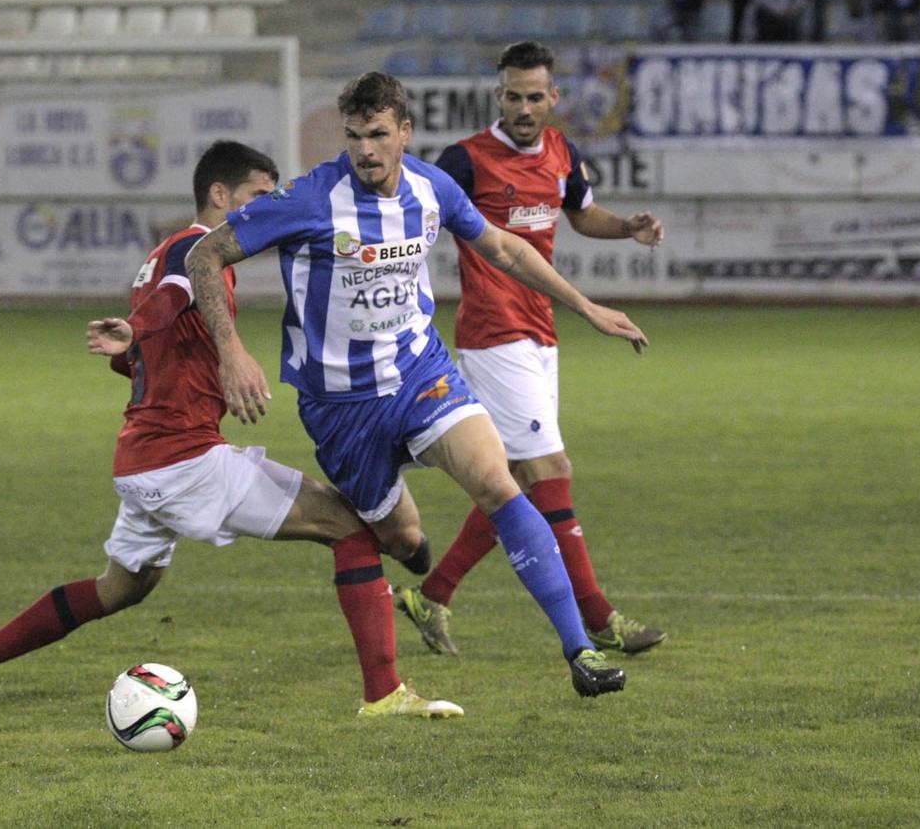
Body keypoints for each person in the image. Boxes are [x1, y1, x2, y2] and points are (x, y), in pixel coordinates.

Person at [0, 140, 462, 719]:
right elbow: (171, 298)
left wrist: (136, 342)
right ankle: (384, 694)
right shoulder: (191, 252)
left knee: (121, 589)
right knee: (350, 528)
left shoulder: (159, 253)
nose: (266, 210)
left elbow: (150, 342)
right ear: (218, 194)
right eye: (258, 196)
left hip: (143, 460)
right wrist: (138, 330)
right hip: (183, 459)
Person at [185, 72, 649, 698]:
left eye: (378, 134)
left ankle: (580, 652)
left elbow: (505, 250)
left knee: (498, 482)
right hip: (340, 407)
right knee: (400, 537)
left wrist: (587, 306)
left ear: (404, 132)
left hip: (420, 374)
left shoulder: (433, 188)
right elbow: (203, 255)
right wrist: (230, 351)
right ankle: (419, 570)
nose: (366, 150)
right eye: (354, 137)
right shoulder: (310, 197)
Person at [388, 41, 667, 659]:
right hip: (493, 336)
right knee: (552, 473)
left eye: (534, 96)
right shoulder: (464, 161)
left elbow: (580, 213)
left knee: (512, 480)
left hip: (539, 333)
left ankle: (432, 594)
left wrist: (627, 227)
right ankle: (598, 618)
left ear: (552, 98)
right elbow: (409, 213)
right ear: (499, 96)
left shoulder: (562, 153)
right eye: (512, 96)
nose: (523, 107)